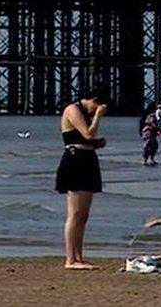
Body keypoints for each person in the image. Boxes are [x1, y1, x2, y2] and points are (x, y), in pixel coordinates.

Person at [55, 91, 108, 270]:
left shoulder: (85, 113)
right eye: (96, 107)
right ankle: (70, 259)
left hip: (87, 159)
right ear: (93, 100)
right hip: (74, 160)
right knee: (75, 214)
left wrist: (96, 144)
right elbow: (87, 134)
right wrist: (98, 117)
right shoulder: (73, 109)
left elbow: (87, 140)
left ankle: (78, 257)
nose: (95, 112)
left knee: (83, 215)